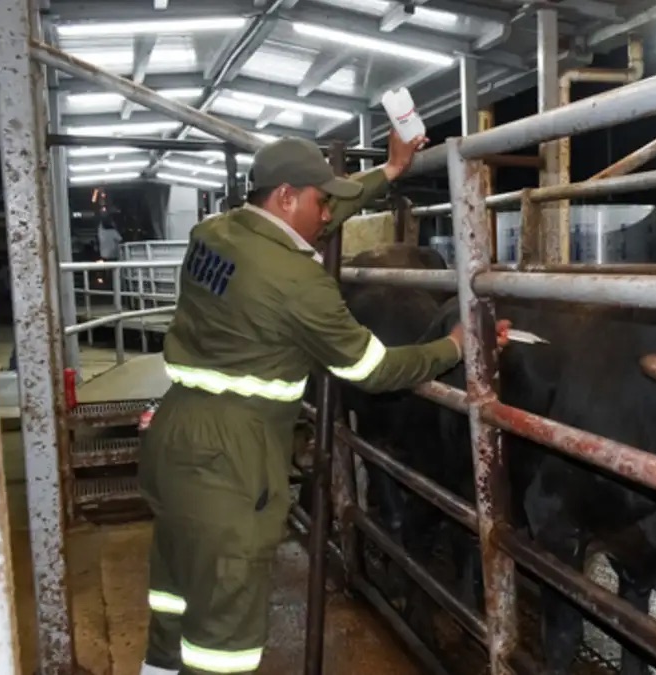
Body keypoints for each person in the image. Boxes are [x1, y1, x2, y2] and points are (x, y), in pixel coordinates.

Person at [137, 133, 510, 675]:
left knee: (174, 594)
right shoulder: (299, 284)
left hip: (174, 437)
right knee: (222, 642)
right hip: (233, 461)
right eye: (320, 201)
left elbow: (310, 224)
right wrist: (455, 345)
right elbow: (373, 370)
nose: (328, 213)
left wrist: (389, 171)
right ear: (286, 196)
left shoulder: (212, 233)